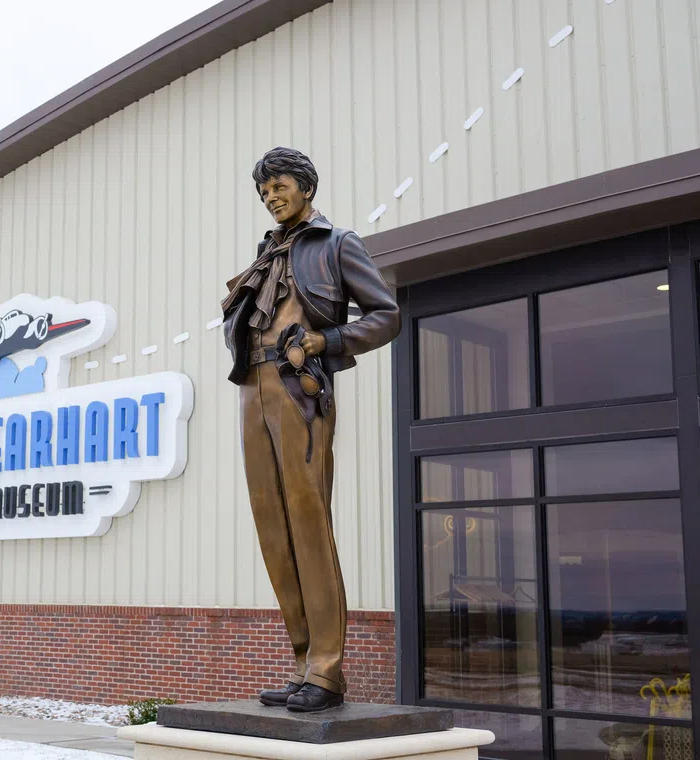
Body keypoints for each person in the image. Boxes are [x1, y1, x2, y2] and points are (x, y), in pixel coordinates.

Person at [221, 147, 400, 712]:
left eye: (280, 185)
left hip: (300, 386)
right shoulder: (265, 254)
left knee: (307, 518)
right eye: (264, 191)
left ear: (305, 186)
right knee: (270, 523)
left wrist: (328, 341)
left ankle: (326, 670)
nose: (273, 196)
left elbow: (385, 315)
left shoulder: (337, 243)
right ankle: (302, 663)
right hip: (252, 385)